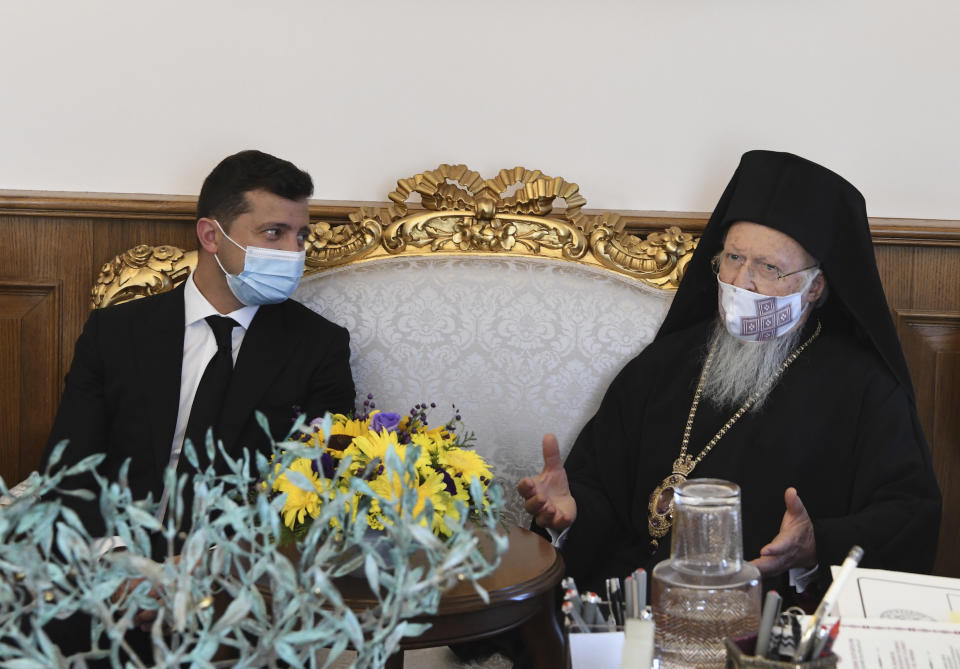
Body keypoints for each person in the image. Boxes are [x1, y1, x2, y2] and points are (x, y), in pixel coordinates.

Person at [518, 149, 942, 597]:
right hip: (637, 611)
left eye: (770, 268)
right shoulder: (663, 364)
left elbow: (908, 514)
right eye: (734, 258)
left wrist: (818, 546)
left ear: (815, 286)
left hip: (764, 621)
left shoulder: (864, 388)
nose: (742, 282)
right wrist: (572, 512)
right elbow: (599, 485)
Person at [39, 149, 356, 657]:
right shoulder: (116, 333)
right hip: (109, 563)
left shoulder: (319, 346)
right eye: (274, 234)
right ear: (212, 236)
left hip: (236, 581)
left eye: (302, 236)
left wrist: (201, 572)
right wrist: (124, 570)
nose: (294, 252)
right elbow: (71, 467)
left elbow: (313, 484)